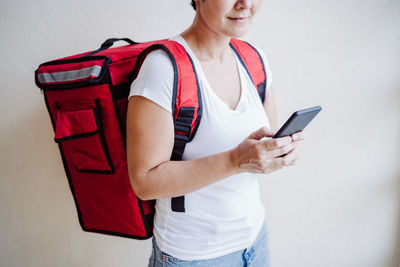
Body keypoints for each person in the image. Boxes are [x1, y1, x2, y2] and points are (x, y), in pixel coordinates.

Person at [126, 0, 307, 266]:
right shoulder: (163, 68)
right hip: (192, 255)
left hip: (254, 239)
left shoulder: (255, 58)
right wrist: (235, 160)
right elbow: (144, 182)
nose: (245, 3)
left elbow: (266, 140)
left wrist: (282, 152)